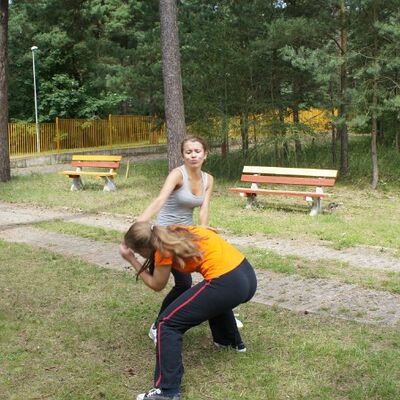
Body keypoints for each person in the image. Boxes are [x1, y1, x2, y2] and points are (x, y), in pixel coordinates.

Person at [119, 222, 257, 400]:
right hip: (246, 274)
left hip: (228, 283)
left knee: (167, 324)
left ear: (145, 248)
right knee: (211, 295)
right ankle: (229, 342)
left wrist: (132, 259)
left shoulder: (162, 249)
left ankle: (167, 391)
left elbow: (157, 284)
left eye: (139, 253)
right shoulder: (177, 230)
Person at [137, 136, 241, 343]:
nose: (193, 155)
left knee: (214, 270)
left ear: (205, 154)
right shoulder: (177, 175)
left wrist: (204, 230)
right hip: (166, 236)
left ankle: (225, 317)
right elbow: (160, 199)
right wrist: (139, 224)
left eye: (197, 151)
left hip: (187, 234)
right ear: (183, 155)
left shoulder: (208, 179)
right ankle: (158, 326)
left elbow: (204, 208)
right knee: (184, 283)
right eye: (188, 152)